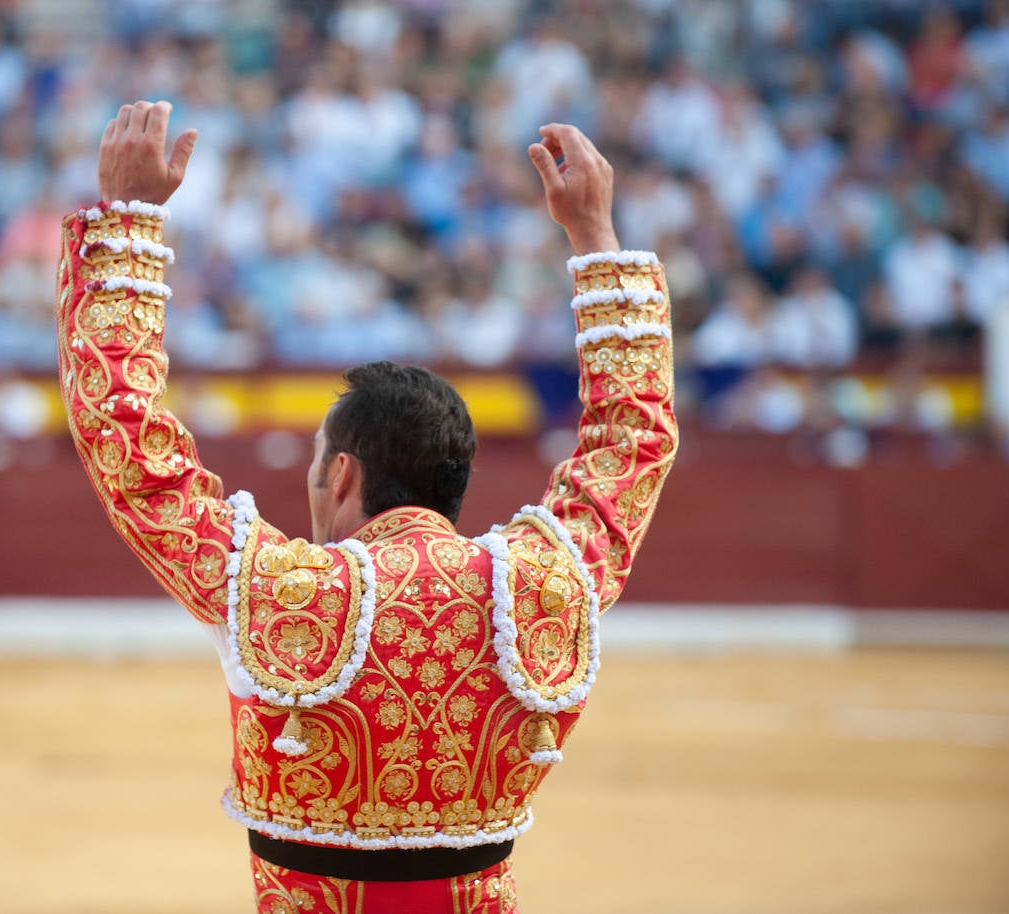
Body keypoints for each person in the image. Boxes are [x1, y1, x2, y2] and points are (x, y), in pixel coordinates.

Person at [57, 100, 677, 913]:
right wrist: (597, 237)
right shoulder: (542, 587)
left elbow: (126, 437)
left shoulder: (280, 594)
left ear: (343, 476)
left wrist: (127, 224)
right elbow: (634, 439)